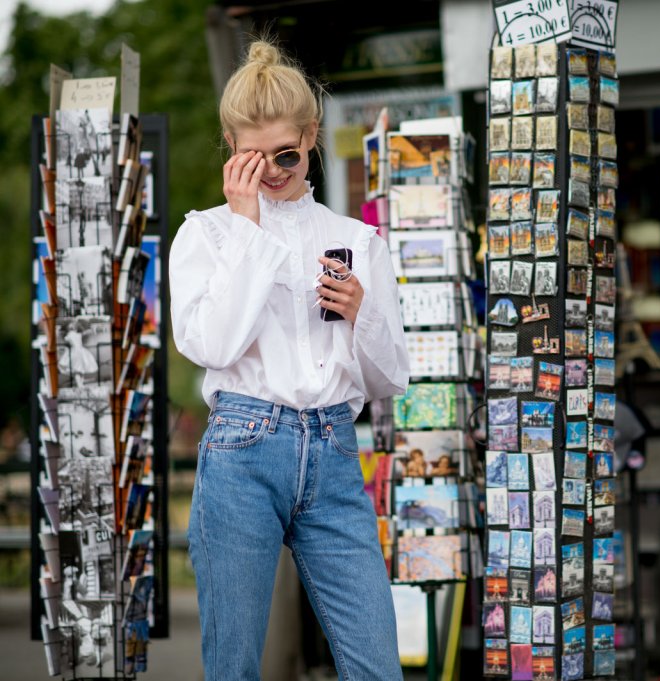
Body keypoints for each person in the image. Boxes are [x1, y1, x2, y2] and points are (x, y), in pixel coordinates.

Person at [169, 39, 408, 681]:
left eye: (287, 152)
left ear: (311, 135)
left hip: (332, 453)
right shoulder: (207, 234)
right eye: (254, 156)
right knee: (234, 665)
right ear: (230, 144)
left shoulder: (357, 241)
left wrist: (363, 313)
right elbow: (212, 347)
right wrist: (247, 228)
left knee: (377, 665)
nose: (273, 170)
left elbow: (390, 380)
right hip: (244, 449)